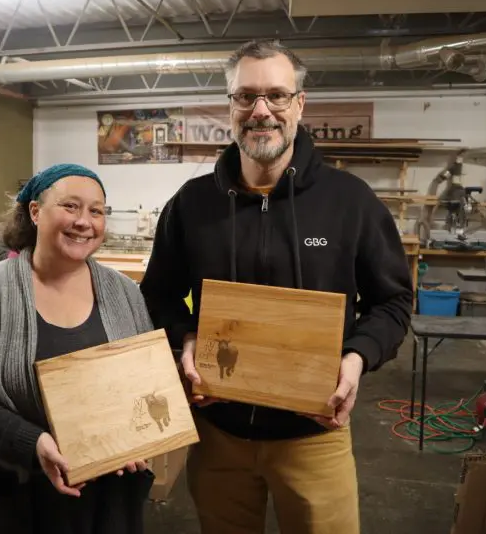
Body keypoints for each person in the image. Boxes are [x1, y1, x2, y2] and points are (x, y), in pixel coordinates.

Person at [138, 39, 413, 534]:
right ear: (230, 106)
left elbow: (392, 302)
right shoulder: (192, 205)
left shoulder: (350, 201)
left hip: (314, 434)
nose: (260, 110)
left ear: (299, 104)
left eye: (276, 96)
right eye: (245, 96)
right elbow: (157, 295)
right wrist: (187, 339)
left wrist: (357, 357)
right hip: (218, 435)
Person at [0, 163, 156, 534]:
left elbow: (147, 381)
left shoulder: (125, 293)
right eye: (70, 206)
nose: (84, 222)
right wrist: (31, 442)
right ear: (35, 212)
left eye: (96, 211)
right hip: (16, 498)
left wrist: (139, 436)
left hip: (107, 499)